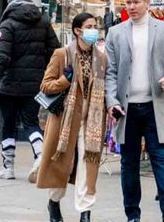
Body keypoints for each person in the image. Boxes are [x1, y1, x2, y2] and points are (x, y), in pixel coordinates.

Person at [105, 0, 164, 222]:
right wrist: (112, 101)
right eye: (128, 2)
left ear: (147, 3)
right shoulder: (115, 32)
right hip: (126, 109)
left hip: (155, 105)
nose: (131, 6)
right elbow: (109, 73)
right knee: (129, 163)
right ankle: (132, 214)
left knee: (162, 160)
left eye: (136, 2)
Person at [37, 12, 107, 222]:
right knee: (61, 164)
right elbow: (45, 86)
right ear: (77, 31)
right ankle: (54, 202)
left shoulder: (101, 58)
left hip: (92, 121)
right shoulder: (62, 54)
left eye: (95, 26)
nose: (93, 30)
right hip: (64, 120)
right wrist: (64, 80)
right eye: (89, 26)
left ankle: (85, 211)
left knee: (88, 165)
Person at [0, 0, 59, 181]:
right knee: (31, 122)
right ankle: (41, 156)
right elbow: (55, 51)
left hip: (8, 84)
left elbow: (1, 57)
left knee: (8, 124)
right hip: (35, 84)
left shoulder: (8, 24)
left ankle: (8, 168)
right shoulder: (43, 22)